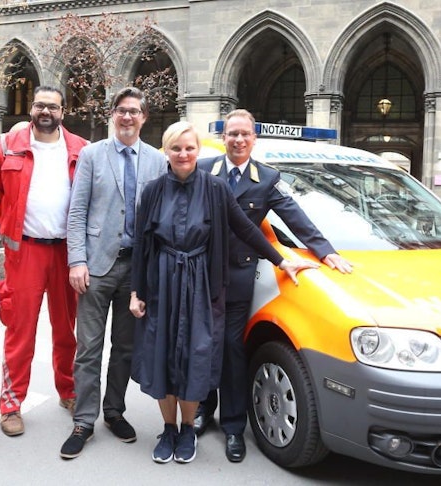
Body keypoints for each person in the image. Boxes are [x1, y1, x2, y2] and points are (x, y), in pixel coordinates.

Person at [128, 121, 318, 464]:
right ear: (167, 152)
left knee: (194, 357)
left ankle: (188, 428)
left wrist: (282, 260)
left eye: (189, 148)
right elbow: (142, 244)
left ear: (198, 151)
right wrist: (136, 292)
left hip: (201, 283)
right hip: (162, 284)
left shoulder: (215, 189)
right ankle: (168, 428)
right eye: (176, 148)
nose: (183, 154)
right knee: (163, 356)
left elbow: (245, 228)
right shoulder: (153, 191)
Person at [195, 109, 352, 462]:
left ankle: (234, 426)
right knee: (205, 342)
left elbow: (297, 217)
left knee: (233, 348)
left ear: (254, 139)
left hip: (237, 276)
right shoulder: (205, 171)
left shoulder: (266, 178)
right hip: (202, 275)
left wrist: (325, 253)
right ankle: (204, 406)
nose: (238, 140)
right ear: (224, 138)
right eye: (232, 134)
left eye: (245, 135)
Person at [60, 87, 167, 459]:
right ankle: (84, 421)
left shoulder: (157, 161)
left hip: (135, 270)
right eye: (121, 111)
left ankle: (114, 412)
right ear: (112, 114)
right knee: (88, 347)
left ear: (144, 118)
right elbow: (76, 211)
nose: (126, 117)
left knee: (124, 347)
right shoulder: (91, 155)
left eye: (134, 112)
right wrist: (77, 260)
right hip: (96, 266)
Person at [0, 86, 90, 437]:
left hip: (67, 252)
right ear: (31, 109)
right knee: (20, 331)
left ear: (63, 111)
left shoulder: (82, 149)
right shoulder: (6, 146)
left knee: (66, 330)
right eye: (39, 105)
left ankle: (69, 391)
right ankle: (11, 404)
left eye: (53, 106)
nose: (45, 111)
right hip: (25, 252)